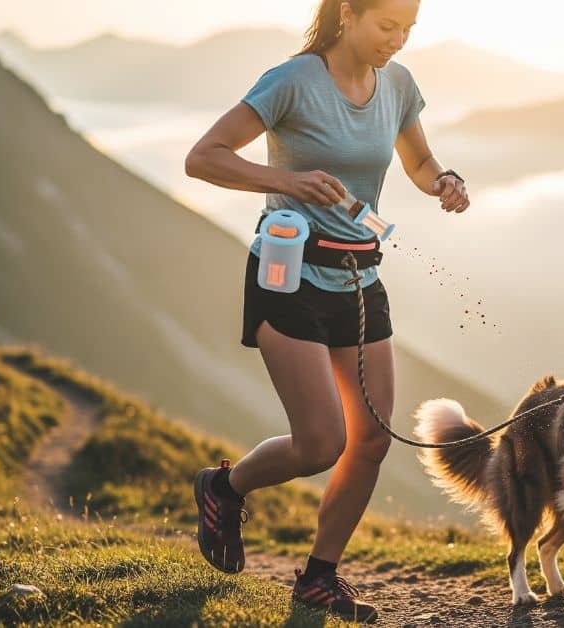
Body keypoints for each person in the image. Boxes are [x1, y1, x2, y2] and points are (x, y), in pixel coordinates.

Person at [184, 0, 467, 622]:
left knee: (371, 440)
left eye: (408, 30)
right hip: (288, 275)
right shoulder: (292, 81)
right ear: (347, 13)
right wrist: (286, 181)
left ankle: (318, 579)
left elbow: (419, 162)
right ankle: (224, 488)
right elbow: (203, 157)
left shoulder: (398, 84)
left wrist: (444, 180)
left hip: (360, 277)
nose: (397, 41)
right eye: (386, 26)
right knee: (321, 444)